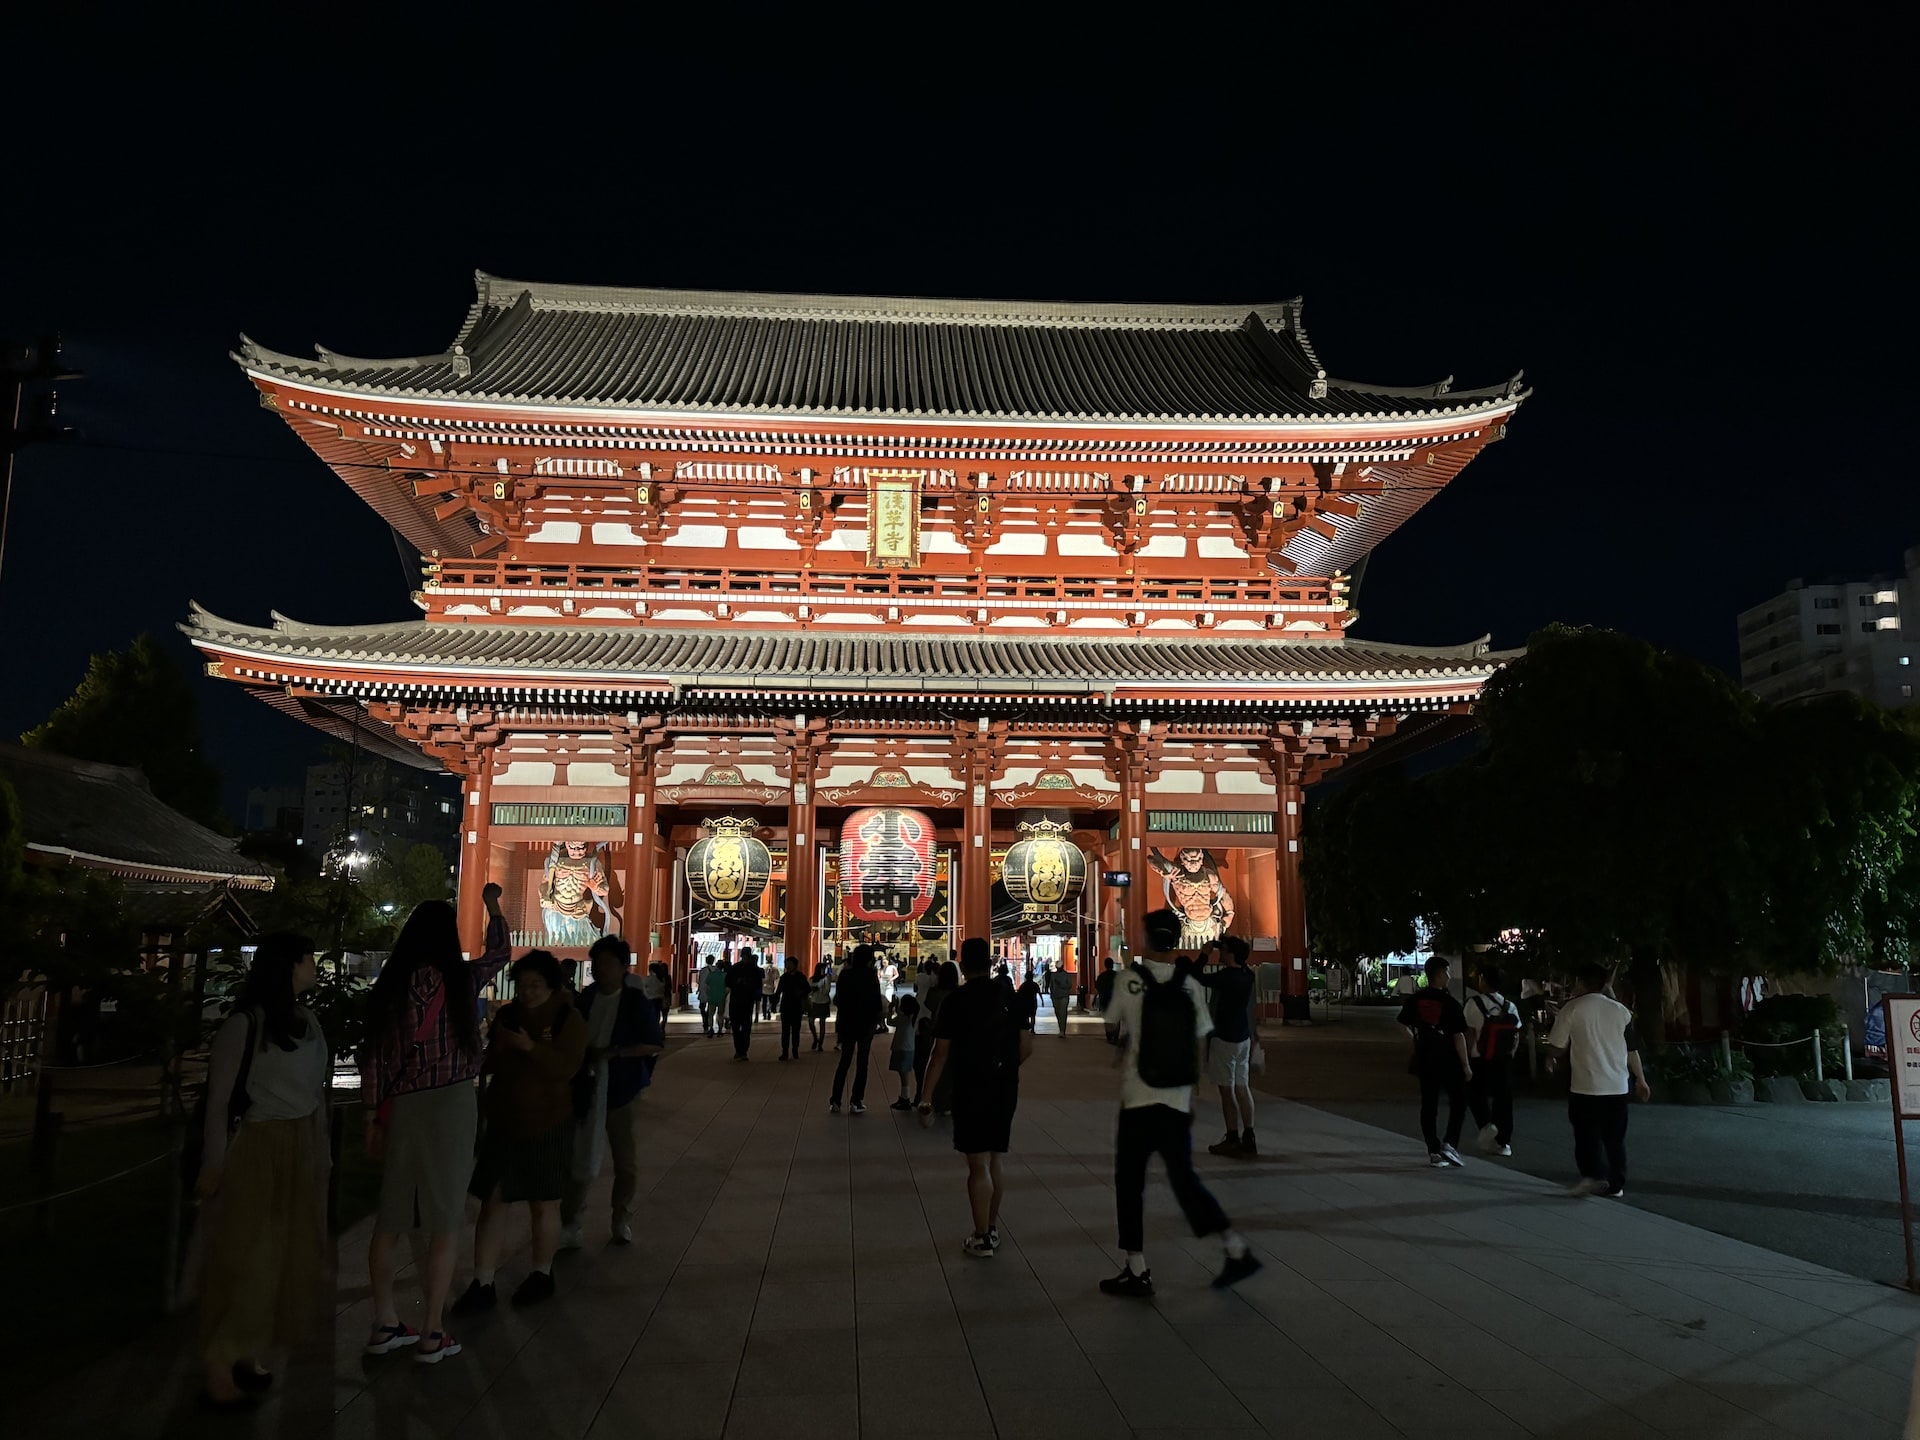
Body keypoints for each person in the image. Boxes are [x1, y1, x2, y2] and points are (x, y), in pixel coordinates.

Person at [358, 888, 512, 1365]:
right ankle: (432, 1330)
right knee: (445, 1217)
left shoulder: (389, 988)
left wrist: (370, 1116)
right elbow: (501, 954)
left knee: (392, 1216)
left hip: (401, 1106)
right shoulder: (461, 980)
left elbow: (375, 1060)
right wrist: (493, 907)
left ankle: (385, 1320)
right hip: (450, 1104)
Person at [191, 933, 329, 1411]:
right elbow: (219, 1103)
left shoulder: (305, 1020)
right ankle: (219, 1359)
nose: (316, 965)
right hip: (256, 1147)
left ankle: (248, 1349)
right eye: (310, 958)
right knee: (246, 1254)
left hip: (297, 1143)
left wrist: (322, 1155)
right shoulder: (245, 1025)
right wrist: (214, 1162)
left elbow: (317, 1095)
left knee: (284, 1254)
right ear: (291, 965)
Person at [1100, 911, 1259, 1296]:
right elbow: (1202, 1034)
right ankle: (1234, 1248)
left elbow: (1112, 1028)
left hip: (1138, 1097)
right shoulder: (1189, 985)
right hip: (1176, 1099)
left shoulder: (1131, 979)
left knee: (1129, 1183)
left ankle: (1137, 1268)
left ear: (1147, 939)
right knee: (1184, 1180)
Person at [452, 950, 588, 1314]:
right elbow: (492, 1062)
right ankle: (483, 1280)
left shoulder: (567, 1018)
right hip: (505, 1121)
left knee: (543, 1202)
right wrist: (495, 1043)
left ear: (551, 985)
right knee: (493, 1201)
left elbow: (567, 1066)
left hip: (548, 1120)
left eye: (535, 986)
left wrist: (529, 1047)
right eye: (522, 985)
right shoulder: (509, 1015)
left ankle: (541, 1273)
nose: (527, 992)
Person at [918, 938, 1030, 1256]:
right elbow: (1027, 1047)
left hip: (969, 1087)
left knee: (977, 1164)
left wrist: (925, 1099)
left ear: (963, 964)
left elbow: (939, 1055)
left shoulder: (955, 1000)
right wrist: (1004, 1070)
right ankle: (992, 1229)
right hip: (1005, 1088)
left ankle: (980, 1236)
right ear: (991, 963)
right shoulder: (1011, 997)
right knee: (995, 1157)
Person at [560, 936, 665, 1250]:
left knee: (625, 1161)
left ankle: (621, 1218)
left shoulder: (635, 1002)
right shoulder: (585, 998)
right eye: (597, 963)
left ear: (623, 967)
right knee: (580, 1156)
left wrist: (616, 1053)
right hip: (585, 1087)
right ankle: (570, 1222)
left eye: (608, 963)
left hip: (621, 1089)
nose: (600, 969)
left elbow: (655, 1043)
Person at [1545, 962, 1650, 1197]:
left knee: (1586, 1135)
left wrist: (1550, 1058)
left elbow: (1557, 1046)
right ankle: (1616, 1184)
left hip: (1585, 1085)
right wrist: (1641, 1080)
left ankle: (1593, 1176)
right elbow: (1631, 1050)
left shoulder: (1572, 1009)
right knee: (1614, 1138)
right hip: (1617, 1085)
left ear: (1581, 982)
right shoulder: (1621, 1011)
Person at [1398, 955, 1473, 1168]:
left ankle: (1433, 1151)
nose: (1449, 976)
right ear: (1440, 974)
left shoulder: (1415, 999)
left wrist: (1415, 1042)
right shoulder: (1449, 1003)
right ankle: (1450, 1144)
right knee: (1459, 1101)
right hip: (1448, 1059)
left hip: (1424, 1058)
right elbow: (1458, 1036)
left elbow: (1402, 1024)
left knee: (1429, 1104)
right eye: (1447, 972)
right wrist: (1466, 1065)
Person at [1196, 934, 1259, 1158]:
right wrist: (1224, 942)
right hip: (1243, 1037)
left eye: (1223, 950)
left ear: (1230, 954)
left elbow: (1197, 977)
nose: (1220, 953)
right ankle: (1249, 1136)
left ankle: (1232, 1135)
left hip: (1225, 1038)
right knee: (1243, 1087)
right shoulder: (1247, 975)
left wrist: (1204, 954)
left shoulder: (1227, 977)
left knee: (1226, 1089)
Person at [1465, 963, 1522, 1156]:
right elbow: (1516, 1035)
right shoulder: (1510, 1006)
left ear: (1483, 980)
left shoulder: (1474, 1003)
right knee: (1503, 1099)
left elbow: (1470, 1034)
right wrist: (1510, 1054)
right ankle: (1504, 1143)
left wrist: (1464, 1058)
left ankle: (1486, 1124)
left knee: (1475, 1094)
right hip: (1503, 1059)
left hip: (1479, 1058)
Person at [829, 944, 883, 1113]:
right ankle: (856, 1101)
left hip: (847, 1022)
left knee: (844, 1061)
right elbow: (876, 1002)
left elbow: (837, 999)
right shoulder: (870, 975)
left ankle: (835, 1101)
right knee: (862, 1062)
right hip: (866, 1024)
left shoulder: (845, 974)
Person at [916, 960, 959, 1106]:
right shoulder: (958, 993)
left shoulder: (934, 992)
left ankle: (928, 1095)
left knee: (934, 1062)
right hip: (955, 1033)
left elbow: (928, 1005)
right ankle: (949, 1098)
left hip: (936, 1030)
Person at [726, 948, 763, 1059]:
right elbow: (728, 982)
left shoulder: (737, 968)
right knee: (738, 1028)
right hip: (741, 1001)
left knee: (744, 1028)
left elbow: (728, 982)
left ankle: (742, 1051)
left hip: (743, 1001)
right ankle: (740, 1050)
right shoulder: (751, 969)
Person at [888, 994, 921, 1109]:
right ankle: (904, 1098)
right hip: (909, 1048)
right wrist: (896, 1007)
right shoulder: (913, 1018)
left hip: (900, 1048)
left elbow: (890, 1022)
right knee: (904, 1074)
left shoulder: (903, 1018)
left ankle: (905, 1098)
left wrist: (890, 1010)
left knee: (903, 1075)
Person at [776, 955, 811, 1060]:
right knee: (785, 1031)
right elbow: (779, 991)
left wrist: (800, 993)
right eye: (786, 964)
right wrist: (774, 1002)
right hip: (786, 1006)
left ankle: (795, 1049)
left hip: (797, 1006)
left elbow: (807, 989)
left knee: (796, 1031)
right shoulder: (784, 977)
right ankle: (785, 1052)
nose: (787, 966)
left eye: (789, 964)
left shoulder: (801, 977)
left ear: (795, 965)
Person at [807, 962, 833, 1051]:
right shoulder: (811, 979)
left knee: (822, 1023)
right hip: (814, 1002)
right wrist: (812, 991)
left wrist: (819, 989)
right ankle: (815, 1038)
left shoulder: (827, 978)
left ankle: (820, 1043)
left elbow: (827, 991)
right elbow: (808, 991)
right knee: (811, 1022)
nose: (824, 971)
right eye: (823, 969)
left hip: (823, 1002)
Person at [701, 957, 729, 1037]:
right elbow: (727, 988)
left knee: (710, 1014)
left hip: (712, 997)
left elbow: (706, 986)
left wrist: (709, 993)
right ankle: (720, 1030)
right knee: (720, 1014)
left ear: (716, 966)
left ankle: (711, 1029)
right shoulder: (725, 976)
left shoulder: (711, 975)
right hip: (721, 998)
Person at [1046, 962, 1073, 1038]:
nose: (1058, 969)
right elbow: (1051, 986)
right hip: (1055, 996)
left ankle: (1062, 1031)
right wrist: (1051, 995)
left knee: (1063, 1013)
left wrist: (1061, 984)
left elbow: (1069, 985)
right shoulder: (1053, 975)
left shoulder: (1066, 975)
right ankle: (1060, 1028)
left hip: (1064, 996)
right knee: (1057, 1012)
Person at [762, 956, 780, 1021]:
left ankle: (764, 1014)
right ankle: (769, 1011)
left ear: (766, 958)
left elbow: (761, 978)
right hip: (772, 986)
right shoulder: (775, 968)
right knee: (771, 1001)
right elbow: (777, 978)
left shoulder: (762, 967)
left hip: (764, 987)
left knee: (764, 1001)